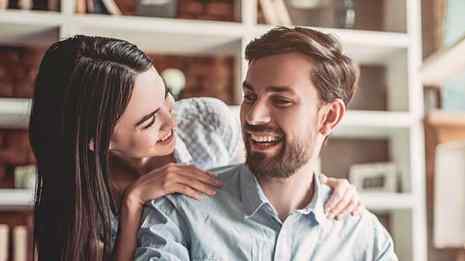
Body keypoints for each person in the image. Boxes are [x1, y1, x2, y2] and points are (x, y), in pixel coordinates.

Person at [28, 35, 363, 261]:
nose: (171, 121)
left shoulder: (207, 121)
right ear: (96, 141)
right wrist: (134, 202)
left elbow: (269, 175)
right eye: (148, 122)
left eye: (166, 99)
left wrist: (318, 185)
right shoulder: (75, 204)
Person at [135, 26, 397, 261]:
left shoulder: (365, 238)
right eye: (250, 96)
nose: (253, 116)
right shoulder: (180, 209)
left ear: (329, 116)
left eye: (281, 101)